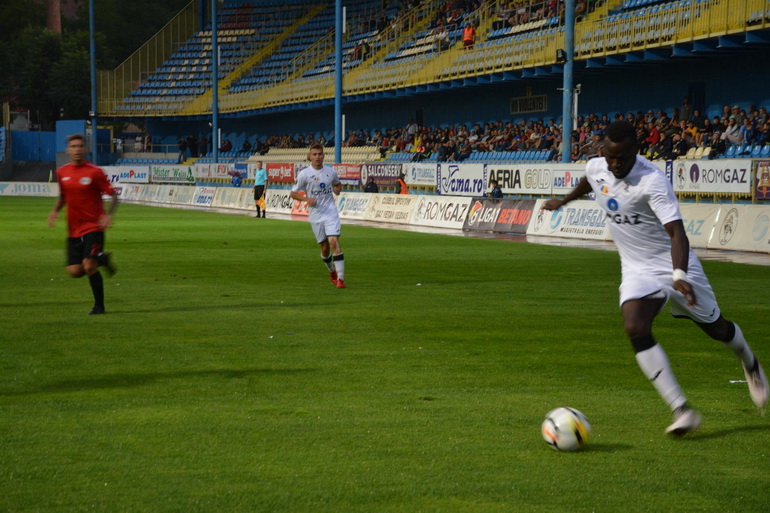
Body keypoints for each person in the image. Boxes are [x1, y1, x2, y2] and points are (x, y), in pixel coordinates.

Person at [542, 120, 768, 437]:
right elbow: (590, 180)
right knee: (635, 326)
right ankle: (682, 409)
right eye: (610, 157)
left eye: (621, 158)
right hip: (636, 268)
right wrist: (561, 201)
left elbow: (677, 233)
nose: (615, 164)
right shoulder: (598, 167)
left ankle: (750, 362)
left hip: (673, 264)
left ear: (637, 149)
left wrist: (679, 275)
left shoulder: (652, 181)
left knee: (717, 329)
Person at [47, 134, 119, 315]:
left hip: (94, 227)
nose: (77, 149)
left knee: (88, 266)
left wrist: (108, 215)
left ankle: (99, 307)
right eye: (73, 146)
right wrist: (55, 211)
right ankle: (102, 258)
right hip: (73, 229)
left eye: (80, 146)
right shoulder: (62, 172)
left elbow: (114, 195)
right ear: (68, 150)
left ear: (86, 149)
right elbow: (63, 196)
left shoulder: (94, 172)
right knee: (75, 271)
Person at [289, 144, 346, 289]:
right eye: (314, 154)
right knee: (325, 247)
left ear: (323, 155)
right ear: (310, 156)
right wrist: (307, 200)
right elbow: (293, 193)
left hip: (330, 212)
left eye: (320, 154)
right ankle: (331, 271)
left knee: (334, 242)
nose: (317, 157)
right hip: (315, 215)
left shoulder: (330, 172)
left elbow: (338, 185)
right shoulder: (304, 174)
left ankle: (341, 279)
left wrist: (337, 190)